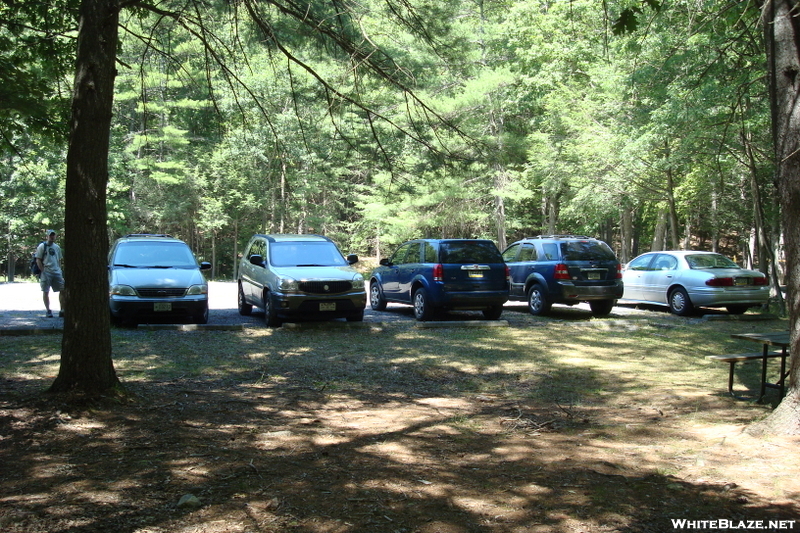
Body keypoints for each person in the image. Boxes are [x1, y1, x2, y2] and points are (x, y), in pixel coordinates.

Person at [36, 229, 65, 318]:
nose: (52, 237)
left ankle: (62, 310)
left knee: (63, 290)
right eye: (50, 235)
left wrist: (59, 270)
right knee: (46, 291)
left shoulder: (57, 247)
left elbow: (59, 260)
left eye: (53, 235)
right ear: (47, 236)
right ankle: (48, 310)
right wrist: (42, 270)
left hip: (56, 272)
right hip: (46, 272)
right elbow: (38, 259)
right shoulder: (42, 246)